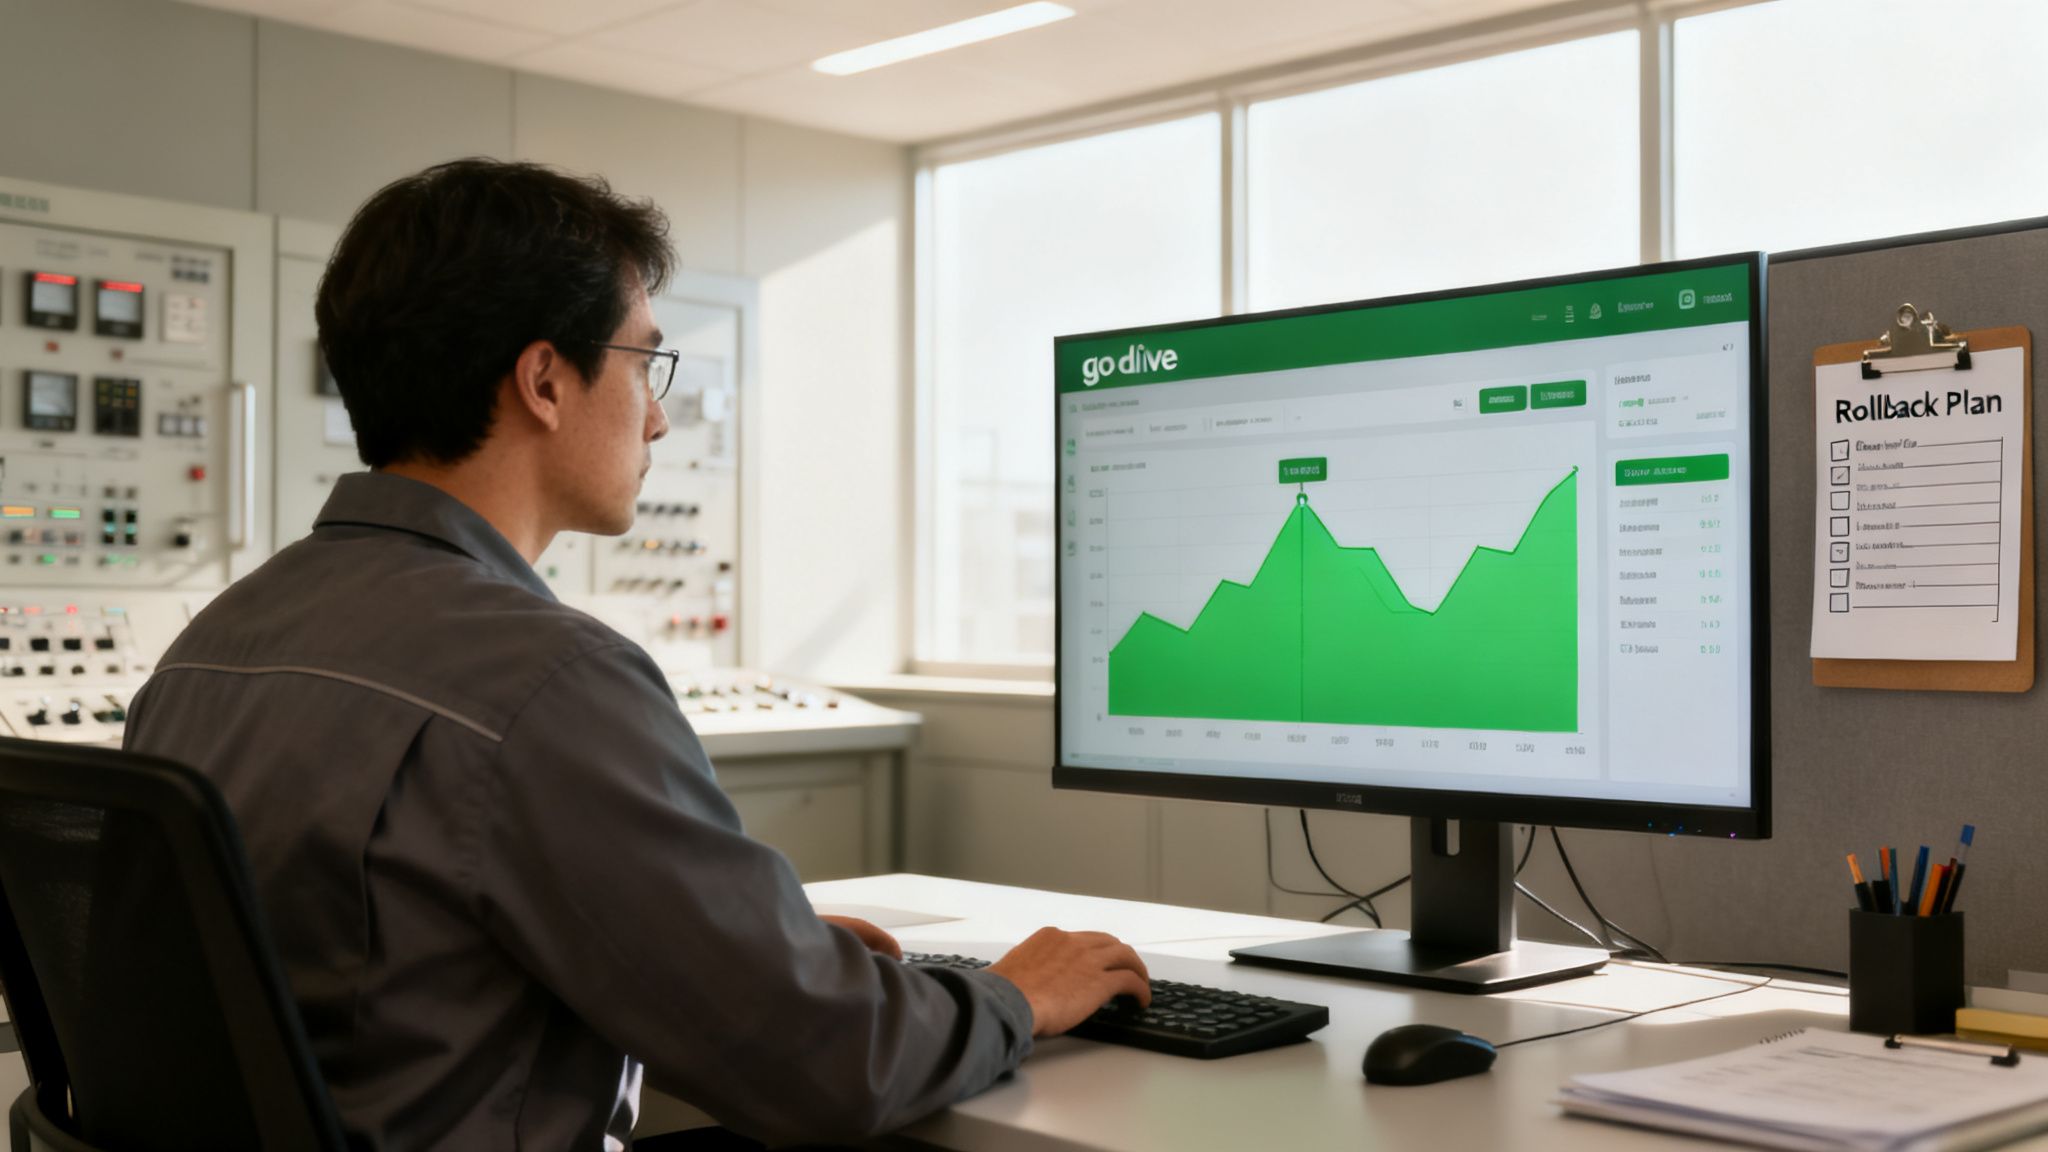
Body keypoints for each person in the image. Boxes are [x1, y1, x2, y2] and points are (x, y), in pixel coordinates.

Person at [122, 158, 1150, 1151]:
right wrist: (1015, 995)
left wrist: (729, 945)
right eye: (643, 361)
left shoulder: (207, 650)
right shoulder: (545, 681)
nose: (657, 415)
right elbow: (832, 1065)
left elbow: (372, 963)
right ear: (543, 380)